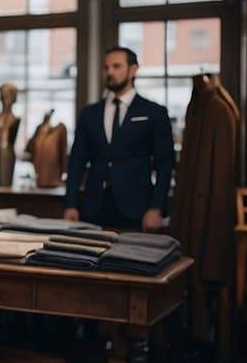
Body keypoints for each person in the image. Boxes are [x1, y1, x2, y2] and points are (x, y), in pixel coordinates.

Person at [63, 46, 174, 231]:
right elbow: (77, 162)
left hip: (137, 208)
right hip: (93, 208)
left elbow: (165, 164)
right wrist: (70, 204)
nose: (110, 72)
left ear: (133, 70)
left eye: (117, 66)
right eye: (106, 68)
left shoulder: (154, 112)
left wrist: (156, 208)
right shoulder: (89, 113)